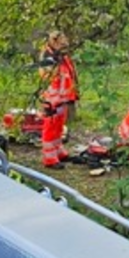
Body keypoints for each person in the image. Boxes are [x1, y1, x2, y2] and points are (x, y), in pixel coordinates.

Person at [38, 31, 79, 170]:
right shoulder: (47, 56)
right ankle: (49, 158)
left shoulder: (62, 55)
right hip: (52, 98)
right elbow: (47, 76)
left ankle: (59, 152)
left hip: (63, 96)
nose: (64, 46)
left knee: (59, 125)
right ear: (54, 42)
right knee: (50, 126)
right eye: (62, 43)